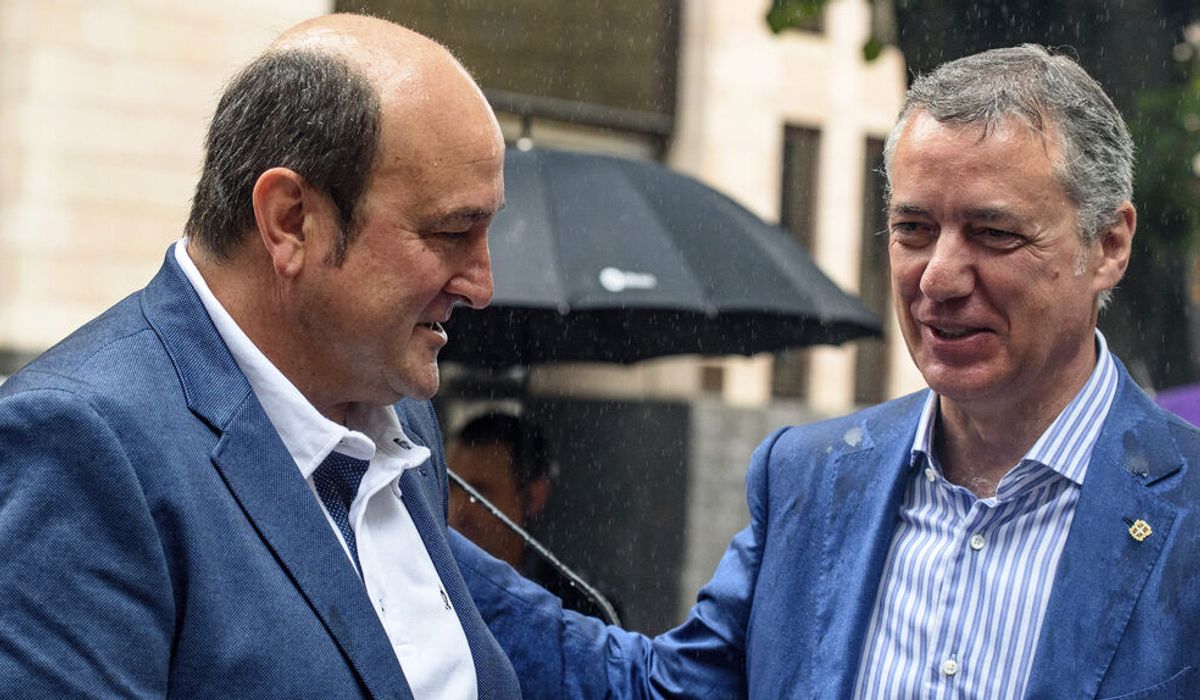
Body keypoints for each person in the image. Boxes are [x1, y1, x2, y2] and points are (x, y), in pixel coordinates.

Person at [452, 44, 1200, 699]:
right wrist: (414, 523)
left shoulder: (1184, 509)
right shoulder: (810, 480)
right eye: (913, 229)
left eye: (993, 233)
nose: (938, 276)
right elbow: (662, 688)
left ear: (1109, 245)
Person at [0, 14, 524, 698]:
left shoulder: (393, 413)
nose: (481, 285)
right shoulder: (81, 445)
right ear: (289, 221)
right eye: (451, 232)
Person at [448, 412, 615, 619]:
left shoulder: (577, 607)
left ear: (534, 497)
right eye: (451, 488)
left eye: (478, 493)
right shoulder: (429, 581)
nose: (458, 508)